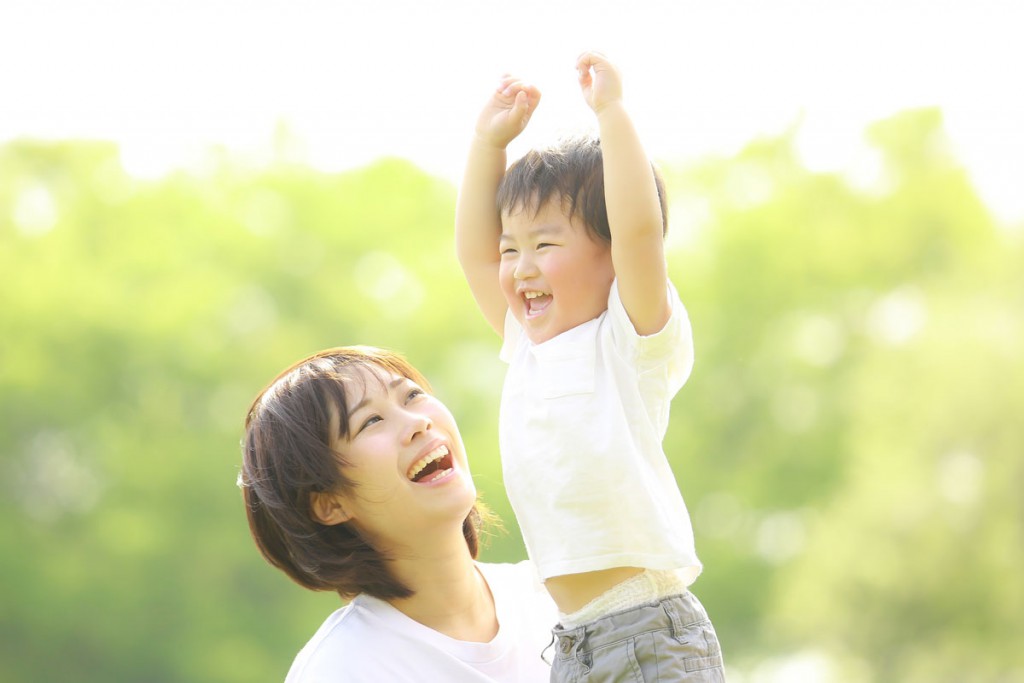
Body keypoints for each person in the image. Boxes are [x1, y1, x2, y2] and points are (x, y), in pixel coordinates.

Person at [455, 51, 725, 680]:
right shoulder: (528, 345)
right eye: (512, 249)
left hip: (647, 631)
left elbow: (638, 233)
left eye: (545, 244)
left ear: (610, 259)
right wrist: (488, 143)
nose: (521, 267)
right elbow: (473, 253)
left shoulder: (628, 343)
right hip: (573, 642)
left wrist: (612, 112)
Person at [239, 346, 558, 682]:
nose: (418, 422)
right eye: (371, 421)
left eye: (412, 396)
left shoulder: (555, 596)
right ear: (330, 503)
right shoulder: (343, 670)